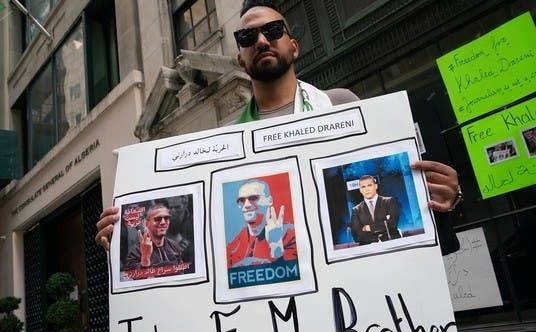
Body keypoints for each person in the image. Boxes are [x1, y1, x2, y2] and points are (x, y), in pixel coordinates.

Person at [97, 0, 460, 254]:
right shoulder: (225, 144)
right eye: (247, 37)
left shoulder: (341, 105)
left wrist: (445, 197)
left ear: (294, 45)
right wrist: (127, 234)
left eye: (272, 30)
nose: (261, 40)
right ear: (240, 56)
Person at [227, 179, 296, 268]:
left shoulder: (291, 234)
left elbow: (293, 275)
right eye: (242, 200)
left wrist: (276, 247)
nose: (246, 205)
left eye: (253, 198)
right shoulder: (233, 246)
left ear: (269, 200)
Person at [124, 201, 182, 270]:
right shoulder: (135, 251)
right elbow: (132, 277)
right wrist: (145, 259)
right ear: (146, 223)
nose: (163, 222)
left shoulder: (175, 246)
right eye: (158, 219)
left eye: (166, 218)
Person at [350, 175, 400, 244]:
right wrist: (376, 239)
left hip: (392, 242)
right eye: (363, 187)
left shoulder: (390, 201)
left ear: (376, 186)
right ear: (360, 190)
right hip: (369, 247)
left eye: (369, 185)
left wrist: (369, 228)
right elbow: (356, 235)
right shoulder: (356, 210)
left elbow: (392, 225)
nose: (367, 189)